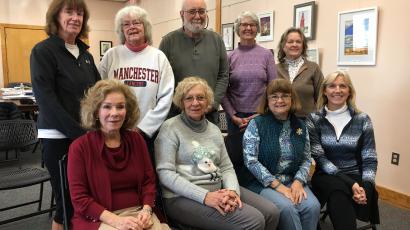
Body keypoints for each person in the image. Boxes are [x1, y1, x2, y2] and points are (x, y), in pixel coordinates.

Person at [155, 77, 279, 230]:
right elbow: (165, 174)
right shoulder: (170, 128)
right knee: (254, 221)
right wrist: (205, 196)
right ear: (182, 101)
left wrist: (232, 192)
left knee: (271, 212)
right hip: (181, 197)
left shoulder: (214, 129)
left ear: (208, 102)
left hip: (219, 189)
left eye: (200, 98)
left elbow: (226, 167)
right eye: (189, 98)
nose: (195, 103)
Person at [30, 0, 100, 229]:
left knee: (85, 196)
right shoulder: (43, 51)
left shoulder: (85, 54)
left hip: (84, 135)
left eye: (80, 13)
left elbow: (99, 92)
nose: (75, 17)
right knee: (65, 199)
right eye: (69, 11)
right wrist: (78, 133)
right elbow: (46, 100)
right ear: (55, 17)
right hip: (58, 136)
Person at [67, 80, 169, 230]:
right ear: (96, 111)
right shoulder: (80, 147)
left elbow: (149, 182)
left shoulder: (136, 140)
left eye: (120, 107)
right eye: (107, 107)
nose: (114, 113)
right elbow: (79, 199)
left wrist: (147, 210)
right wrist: (116, 221)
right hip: (100, 218)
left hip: (139, 213)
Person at [243, 79, 320, 230]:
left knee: (312, 206)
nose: (280, 100)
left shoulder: (300, 126)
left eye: (285, 95)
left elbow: (306, 159)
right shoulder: (257, 124)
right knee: (287, 208)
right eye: (274, 96)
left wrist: (298, 181)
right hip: (262, 182)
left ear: (292, 99)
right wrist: (279, 187)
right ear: (267, 100)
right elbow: (251, 161)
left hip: (292, 180)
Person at [306, 71, 379, 229]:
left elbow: (370, 158)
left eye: (342, 86)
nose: (337, 90)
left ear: (349, 91)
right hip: (325, 174)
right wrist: (350, 183)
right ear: (325, 91)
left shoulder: (362, 119)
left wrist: (366, 187)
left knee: (341, 193)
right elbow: (320, 158)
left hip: (355, 174)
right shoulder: (314, 119)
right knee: (337, 191)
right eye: (332, 86)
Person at [98, 5, 174, 154]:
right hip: (114, 131)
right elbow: (99, 94)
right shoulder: (111, 55)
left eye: (136, 22)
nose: (131, 27)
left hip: (148, 135)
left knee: (145, 174)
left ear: (145, 27)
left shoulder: (158, 57)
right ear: (121, 30)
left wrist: (142, 128)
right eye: (126, 24)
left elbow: (166, 97)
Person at [159, 0, 229, 124]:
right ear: (182, 14)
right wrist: (181, 105)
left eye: (201, 11)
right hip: (176, 117)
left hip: (209, 117)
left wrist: (213, 103)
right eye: (192, 11)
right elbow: (161, 80)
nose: (197, 16)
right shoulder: (168, 42)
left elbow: (223, 75)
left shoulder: (217, 40)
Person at [221, 11, 276, 134]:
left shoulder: (267, 55)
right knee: (236, 153)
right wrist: (233, 116)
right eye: (244, 25)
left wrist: (261, 113)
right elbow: (222, 90)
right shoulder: (229, 57)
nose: (248, 28)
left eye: (252, 25)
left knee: (263, 153)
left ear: (257, 29)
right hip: (236, 119)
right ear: (237, 29)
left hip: (262, 116)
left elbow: (274, 88)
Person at [276, 27, 324, 118]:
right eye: (290, 42)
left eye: (298, 42)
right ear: (283, 45)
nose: (294, 44)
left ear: (303, 46)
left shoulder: (313, 68)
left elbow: (322, 98)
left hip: (307, 122)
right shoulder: (275, 68)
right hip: (279, 121)